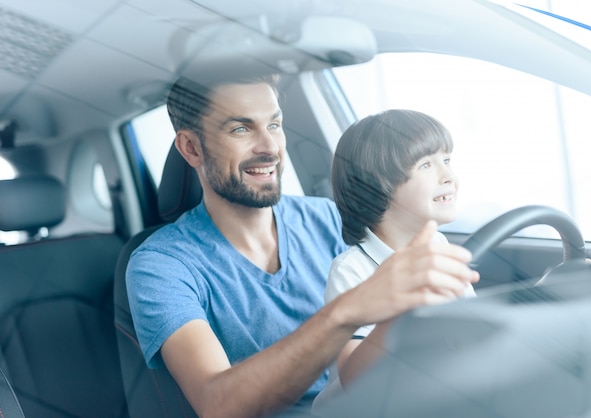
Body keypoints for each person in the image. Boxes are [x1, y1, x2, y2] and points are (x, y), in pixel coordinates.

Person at [126, 75, 479, 418]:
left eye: (275, 125)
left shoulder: (328, 219)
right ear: (191, 147)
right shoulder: (160, 264)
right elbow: (217, 405)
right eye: (241, 129)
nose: (269, 147)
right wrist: (348, 311)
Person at [313, 109, 477, 409]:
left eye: (447, 160)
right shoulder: (353, 270)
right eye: (427, 164)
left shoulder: (440, 245)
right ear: (376, 186)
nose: (448, 176)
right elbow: (353, 376)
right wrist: (402, 311)